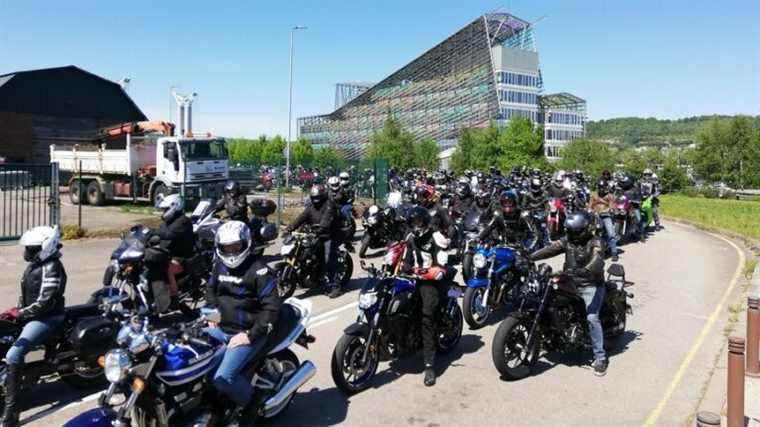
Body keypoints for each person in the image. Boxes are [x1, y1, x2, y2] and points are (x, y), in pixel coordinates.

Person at [204, 221, 281, 421]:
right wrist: (211, 313)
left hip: (248, 332)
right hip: (221, 327)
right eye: (226, 247)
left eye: (235, 246)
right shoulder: (219, 266)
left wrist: (249, 335)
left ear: (246, 243)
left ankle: (253, 403)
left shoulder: (259, 270)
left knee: (223, 378)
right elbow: (210, 291)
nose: (231, 251)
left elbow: (272, 308)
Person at [1, 226, 66, 427]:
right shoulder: (37, 264)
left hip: (48, 318)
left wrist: (20, 313)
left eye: (31, 248)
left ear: (44, 247)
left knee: (13, 355)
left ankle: (11, 413)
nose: (27, 252)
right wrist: (16, 310)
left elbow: (45, 302)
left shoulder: (52, 267)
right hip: (33, 314)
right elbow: (27, 296)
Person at [530, 212, 608, 376]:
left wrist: (587, 270)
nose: (572, 234)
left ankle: (600, 357)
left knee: (592, 317)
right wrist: (529, 256)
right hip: (570, 281)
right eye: (570, 231)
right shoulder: (568, 240)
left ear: (586, 229)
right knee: (547, 299)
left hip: (590, 284)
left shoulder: (596, 241)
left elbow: (598, 259)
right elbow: (551, 249)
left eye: (576, 231)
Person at [401, 207, 453, 387]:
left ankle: (430, 365)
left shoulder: (436, 237)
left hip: (431, 282)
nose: (416, 226)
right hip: (414, 280)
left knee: (427, 316)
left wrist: (431, 271)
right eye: (412, 223)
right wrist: (403, 267)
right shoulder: (410, 239)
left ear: (425, 222)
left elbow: (441, 265)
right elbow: (406, 260)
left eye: (418, 222)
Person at [284, 185, 343, 298]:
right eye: (314, 197)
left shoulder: (329, 205)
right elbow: (302, 217)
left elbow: (327, 219)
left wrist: (321, 228)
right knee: (306, 252)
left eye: (318, 197)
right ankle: (314, 276)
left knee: (328, 258)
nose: (316, 200)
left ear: (323, 196)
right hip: (317, 234)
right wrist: (290, 228)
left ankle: (336, 286)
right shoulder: (311, 207)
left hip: (331, 234)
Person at [154, 194, 194, 312]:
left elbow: (168, 234)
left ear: (174, 207)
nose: (163, 212)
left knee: (166, 269)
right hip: (167, 254)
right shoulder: (168, 221)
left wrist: (152, 232)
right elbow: (160, 234)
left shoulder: (183, 221)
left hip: (181, 257)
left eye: (165, 209)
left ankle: (174, 297)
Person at [590, 183, 619, 261]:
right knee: (592, 234)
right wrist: (591, 211)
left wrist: (609, 210)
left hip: (606, 216)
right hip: (596, 217)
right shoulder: (594, 195)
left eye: (603, 187)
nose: (601, 189)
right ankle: (592, 252)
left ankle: (614, 253)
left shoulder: (610, 196)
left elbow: (612, 206)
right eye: (600, 187)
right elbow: (590, 206)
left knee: (611, 234)